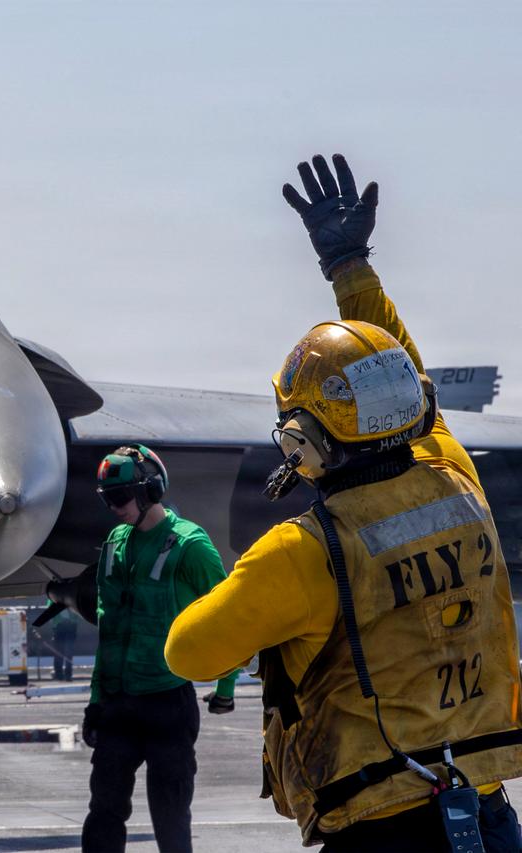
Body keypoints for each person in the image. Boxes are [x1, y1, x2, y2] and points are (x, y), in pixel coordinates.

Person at [164, 154, 522, 852]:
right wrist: (350, 265)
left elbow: (188, 651)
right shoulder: (453, 473)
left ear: (305, 440)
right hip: (485, 810)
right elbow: (397, 362)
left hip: (382, 825)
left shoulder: (305, 552)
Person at [81, 445, 237, 853]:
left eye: (120, 497)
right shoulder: (115, 544)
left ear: (150, 489)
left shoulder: (190, 546)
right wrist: (96, 703)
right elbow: (109, 630)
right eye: (107, 499)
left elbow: (227, 620)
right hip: (118, 706)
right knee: (103, 814)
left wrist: (225, 691)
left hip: (168, 704)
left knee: (170, 823)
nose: (114, 508)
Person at [52, 606, 78, 681]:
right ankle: (60, 674)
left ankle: (67, 675)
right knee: (60, 652)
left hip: (70, 626)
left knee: (68, 652)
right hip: (60, 626)